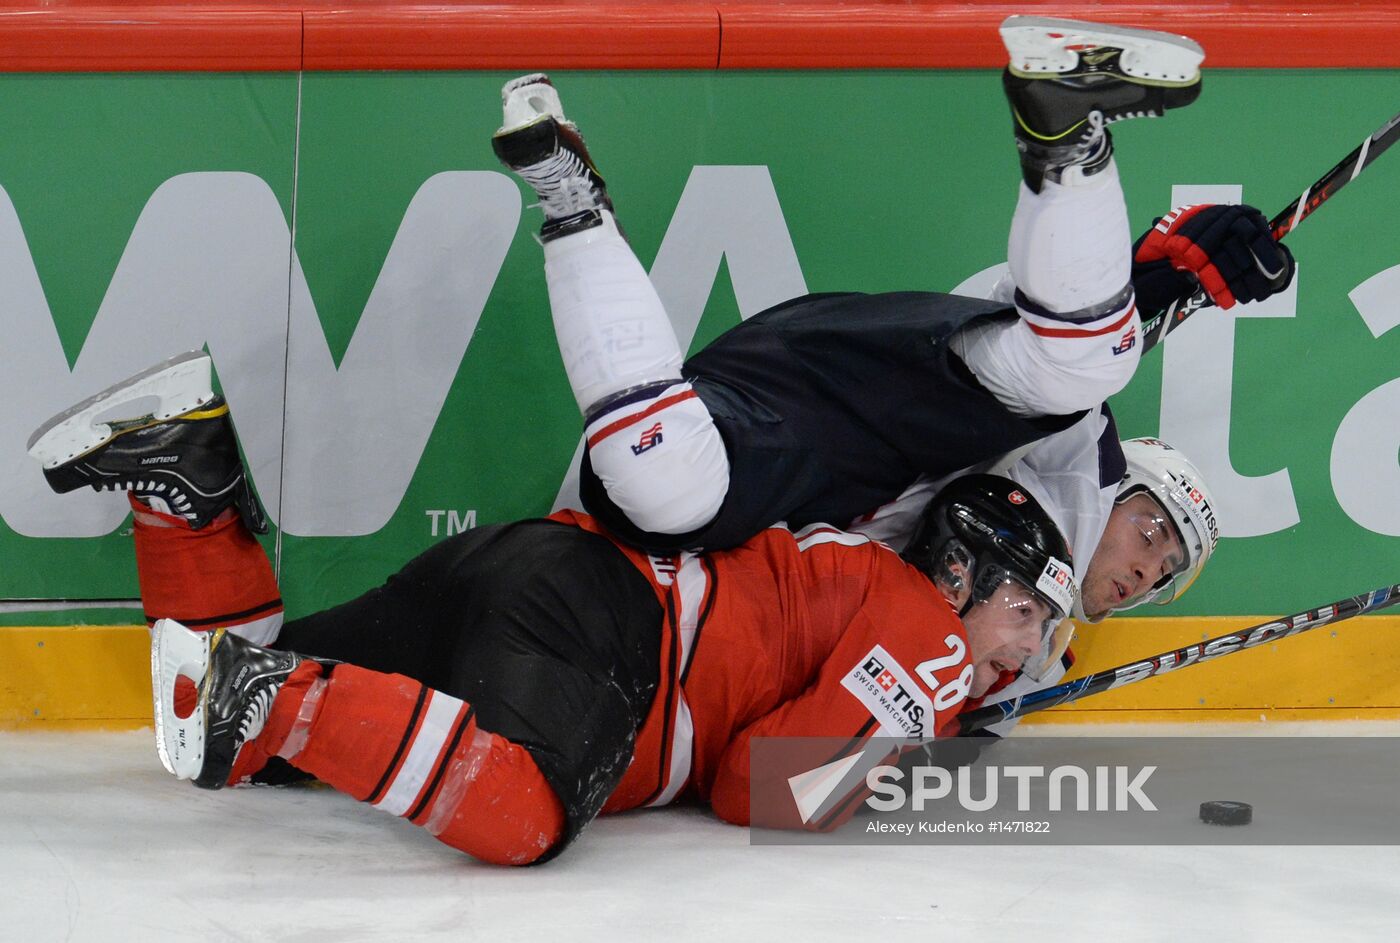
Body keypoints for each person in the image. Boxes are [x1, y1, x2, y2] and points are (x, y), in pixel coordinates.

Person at [31, 350, 1076, 865]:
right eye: (1024, 613)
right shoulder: (925, 634)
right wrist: (918, 736)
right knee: (520, 812)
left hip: (521, 574)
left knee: (221, 739)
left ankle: (186, 488)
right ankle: (279, 689)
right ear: (958, 574)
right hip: (594, 626)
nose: (1025, 650)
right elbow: (756, 786)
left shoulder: (851, 573)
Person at [489, 17, 1288, 640]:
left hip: (758, 454)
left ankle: (570, 202)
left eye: (1168, 571)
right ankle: (1069, 139)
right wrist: (1150, 278)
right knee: (1086, 366)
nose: (1147, 568)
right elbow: (995, 322)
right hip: (874, 397)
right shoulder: (1087, 464)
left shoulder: (1030, 632)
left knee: (662, 481)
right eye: (1152, 530)